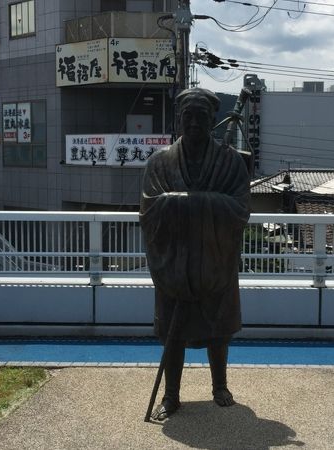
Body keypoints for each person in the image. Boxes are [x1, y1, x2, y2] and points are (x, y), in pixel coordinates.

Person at [140, 88, 251, 421]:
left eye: (200, 116)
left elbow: (240, 208)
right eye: (187, 116)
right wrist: (190, 201)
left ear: (212, 119)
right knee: (173, 333)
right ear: (179, 119)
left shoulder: (231, 161)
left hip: (215, 260)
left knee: (218, 329)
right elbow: (149, 208)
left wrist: (192, 202)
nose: (193, 123)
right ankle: (171, 395)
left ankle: (220, 387)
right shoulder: (160, 162)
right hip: (174, 262)